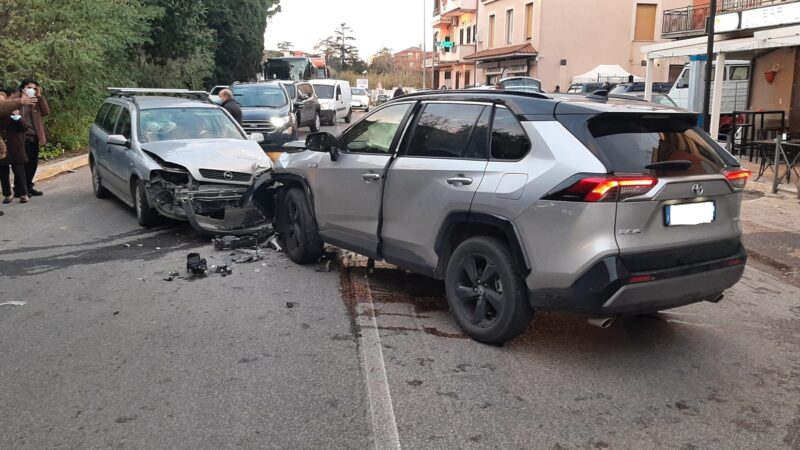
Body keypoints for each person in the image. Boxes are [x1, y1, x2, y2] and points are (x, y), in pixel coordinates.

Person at [0, 91, 37, 215]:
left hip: (15, 146)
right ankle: (7, 194)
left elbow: (24, 127)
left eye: (3, 100)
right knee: (3, 173)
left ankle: (23, 193)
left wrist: (18, 118)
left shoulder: (14, 111)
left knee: (19, 170)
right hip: (2, 147)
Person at [12, 79, 49, 196]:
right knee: (21, 164)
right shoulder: (15, 100)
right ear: (23, 88)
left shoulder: (36, 100)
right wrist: (20, 102)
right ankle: (20, 189)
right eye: (29, 87)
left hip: (34, 136)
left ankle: (28, 186)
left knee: (32, 163)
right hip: (20, 137)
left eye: (34, 88)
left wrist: (40, 97)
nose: (31, 90)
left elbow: (46, 112)